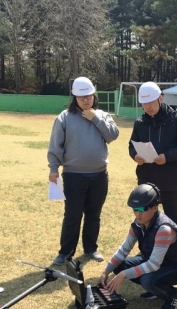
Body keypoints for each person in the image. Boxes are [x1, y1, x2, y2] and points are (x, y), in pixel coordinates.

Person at [48, 76, 120, 265]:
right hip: (73, 175)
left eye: (88, 96)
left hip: (99, 175)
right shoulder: (64, 118)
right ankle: (65, 252)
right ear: (75, 98)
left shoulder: (103, 115)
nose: (85, 100)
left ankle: (90, 249)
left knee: (94, 214)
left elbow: (113, 135)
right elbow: (56, 145)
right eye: (81, 98)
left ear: (94, 96)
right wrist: (53, 168)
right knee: (72, 215)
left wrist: (95, 119)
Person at [98, 183, 177, 309]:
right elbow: (124, 249)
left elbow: (153, 264)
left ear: (155, 207)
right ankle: (155, 289)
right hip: (153, 261)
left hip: (175, 267)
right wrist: (105, 272)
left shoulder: (164, 229)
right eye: (134, 209)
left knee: (147, 280)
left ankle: (171, 294)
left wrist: (124, 275)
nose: (137, 214)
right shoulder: (138, 223)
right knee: (119, 266)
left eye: (142, 209)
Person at [128, 82, 177, 234]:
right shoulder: (140, 123)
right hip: (146, 178)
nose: (148, 106)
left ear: (161, 98)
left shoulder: (176, 119)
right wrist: (135, 155)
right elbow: (131, 146)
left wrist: (167, 157)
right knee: (145, 217)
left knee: (172, 217)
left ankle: (176, 252)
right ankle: (147, 250)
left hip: (169, 178)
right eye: (144, 103)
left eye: (151, 102)